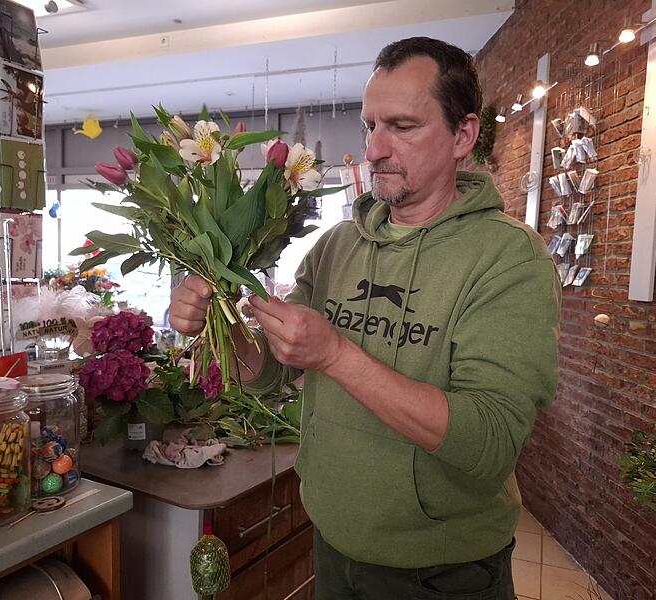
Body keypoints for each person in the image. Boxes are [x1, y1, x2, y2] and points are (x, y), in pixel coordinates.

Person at [170, 37, 561, 600]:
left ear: (464, 136)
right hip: (332, 543)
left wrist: (335, 354)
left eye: (402, 126)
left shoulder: (508, 257)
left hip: (439, 571)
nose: (375, 149)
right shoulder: (336, 245)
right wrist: (219, 328)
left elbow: (489, 442)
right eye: (369, 125)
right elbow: (272, 372)